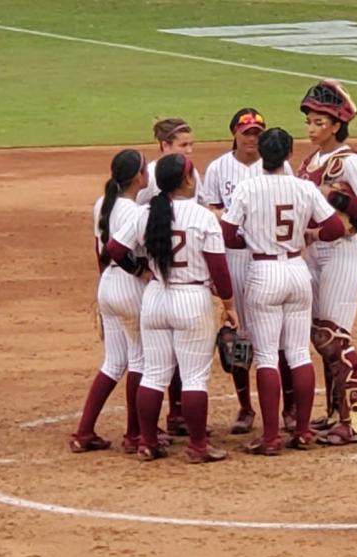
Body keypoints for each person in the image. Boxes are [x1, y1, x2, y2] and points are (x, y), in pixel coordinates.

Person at [220, 128, 346, 454]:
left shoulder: (247, 188)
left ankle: (271, 437)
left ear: (262, 153)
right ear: (289, 155)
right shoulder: (304, 187)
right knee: (299, 354)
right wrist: (308, 235)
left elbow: (227, 233)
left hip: (263, 272)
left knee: (265, 358)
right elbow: (334, 227)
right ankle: (302, 432)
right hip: (296, 270)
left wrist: (249, 241)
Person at [105, 153, 237, 463]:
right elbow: (219, 269)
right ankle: (198, 446)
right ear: (188, 180)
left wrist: (140, 270)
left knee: (153, 374)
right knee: (193, 378)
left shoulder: (146, 212)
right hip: (192, 301)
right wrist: (229, 305)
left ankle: (148, 443)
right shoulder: (203, 217)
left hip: (155, 298)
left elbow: (115, 249)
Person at [296, 79, 357, 445]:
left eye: (320, 123)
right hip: (316, 252)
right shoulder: (309, 162)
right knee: (321, 337)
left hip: (343, 255)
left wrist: (335, 197)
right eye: (310, 122)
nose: (312, 129)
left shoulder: (350, 161)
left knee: (335, 337)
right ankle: (336, 412)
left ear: (336, 125)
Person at [200, 108, 296, 434]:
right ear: (234, 134)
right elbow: (209, 209)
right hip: (235, 260)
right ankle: (245, 408)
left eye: (257, 132)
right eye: (247, 132)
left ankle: (291, 409)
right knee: (239, 338)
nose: (252, 138)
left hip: (268, 256)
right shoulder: (217, 168)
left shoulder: (280, 166)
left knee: (280, 338)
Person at [69, 149, 150, 453]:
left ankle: (84, 431)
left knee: (115, 362)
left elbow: (99, 248)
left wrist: (106, 284)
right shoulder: (134, 211)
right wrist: (141, 271)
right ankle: (134, 434)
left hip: (108, 285)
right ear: (139, 176)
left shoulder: (103, 203)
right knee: (141, 361)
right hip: (130, 287)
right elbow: (125, 250)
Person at [138, 118, 209, 435]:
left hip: (163, 285)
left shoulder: (192, 173)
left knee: (168, 361)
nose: (190, 151)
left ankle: (174, 417)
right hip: (175, 281)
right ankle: (179, 420)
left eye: (192, 144)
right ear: (164, 146)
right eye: (183, 145)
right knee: (173, 360)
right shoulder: (152, 177)